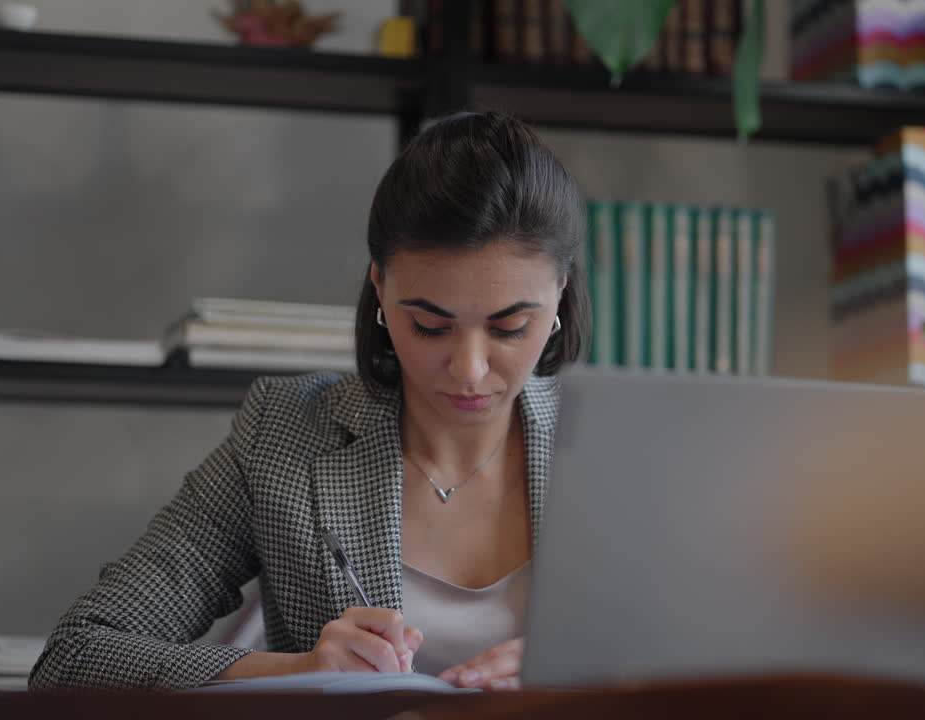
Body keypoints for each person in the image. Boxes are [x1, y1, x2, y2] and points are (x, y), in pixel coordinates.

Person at [29, 110, 589, 691]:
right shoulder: (284, 436)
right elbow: (73, 660)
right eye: (428, 324)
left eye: (510, 327)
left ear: (561, 293)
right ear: (379, 286)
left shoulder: (617, 450)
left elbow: (689, 665)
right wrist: (296, 672)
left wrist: (585, 679)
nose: (470, 369)